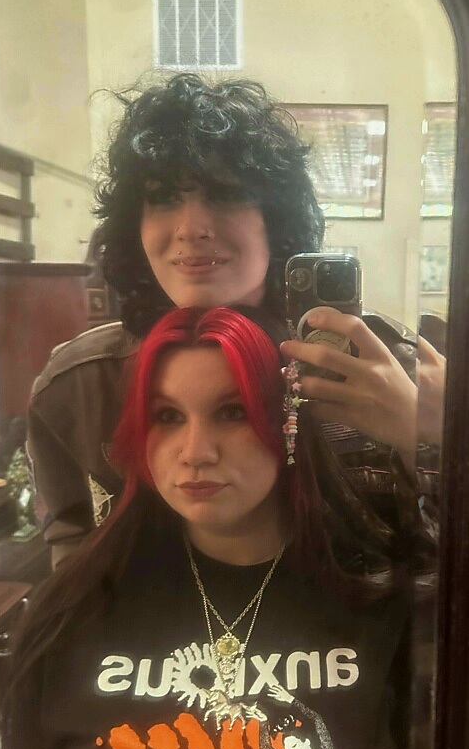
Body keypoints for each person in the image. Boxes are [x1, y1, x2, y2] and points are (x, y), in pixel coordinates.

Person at [1, 305, 422, 749]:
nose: (195, 452)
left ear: (286, 424)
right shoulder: (70, 612)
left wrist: (430, 432)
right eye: (167, 416)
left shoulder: (379, 601)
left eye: (232, 412)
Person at [26, 72, 441, 569]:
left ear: (275, 219)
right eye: (163, 197)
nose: (192, 228)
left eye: (224, 195)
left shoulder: (385, 364)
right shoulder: (78, 388)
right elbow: (71, 549)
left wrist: (434, 436)